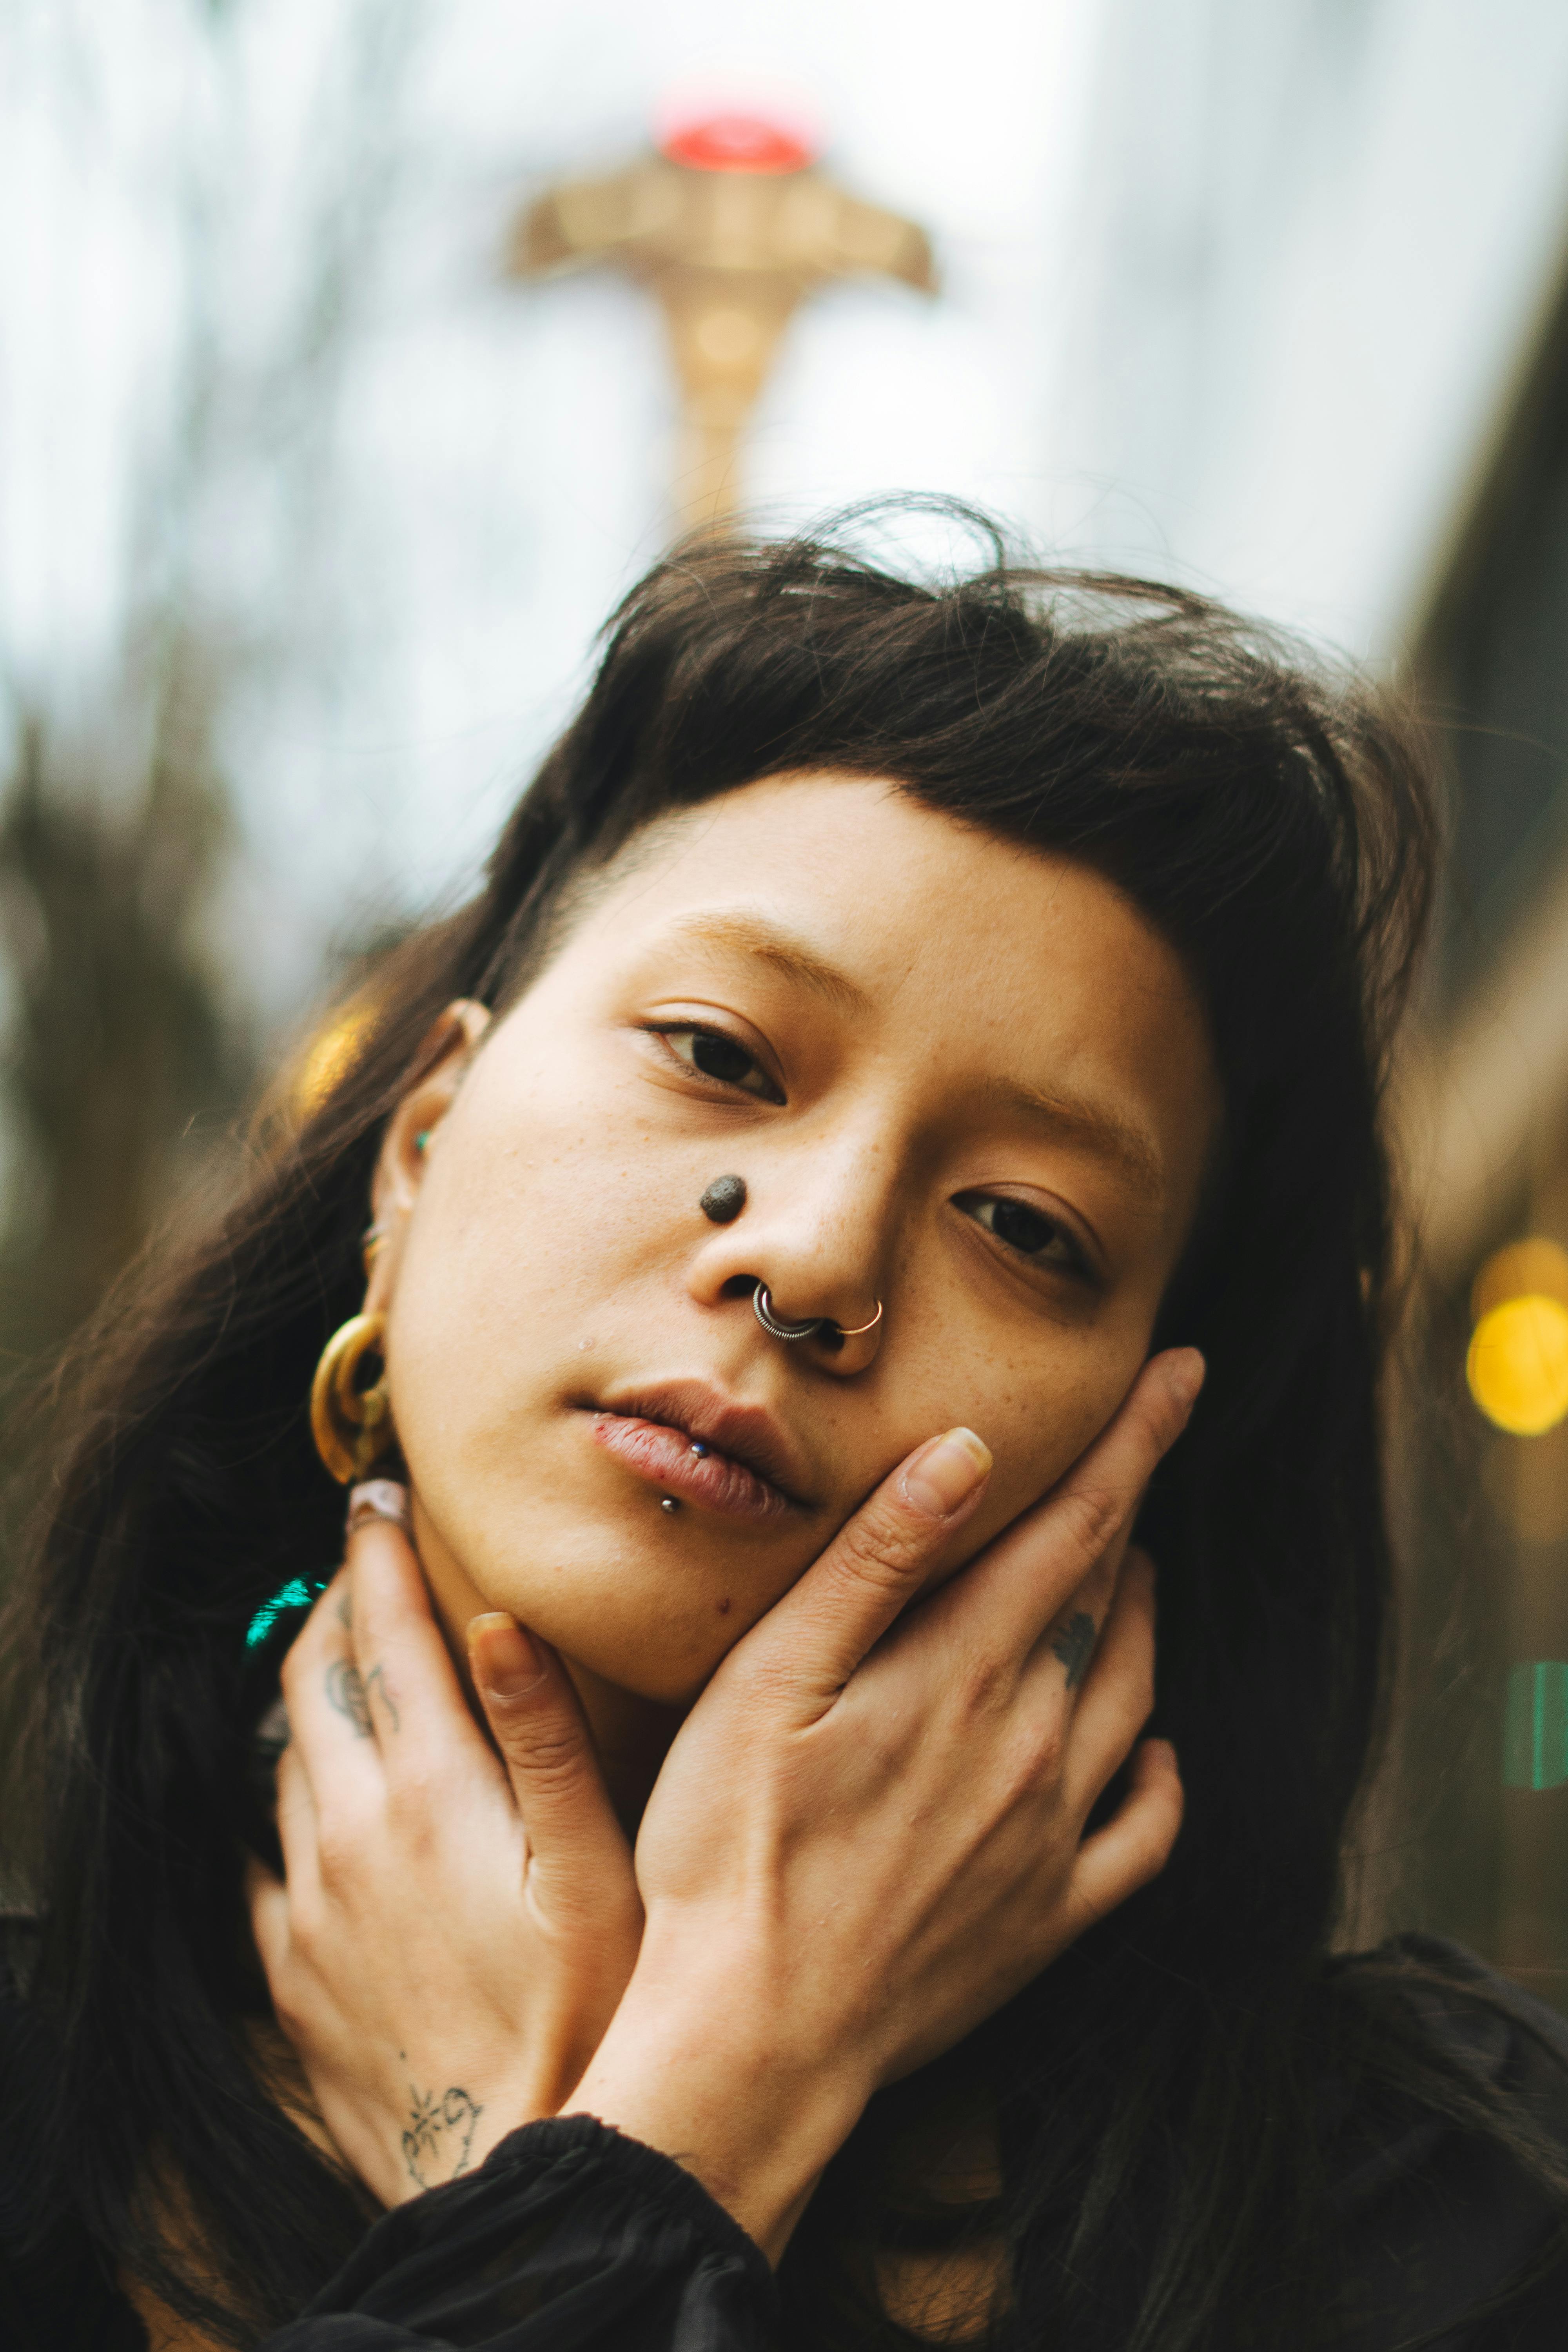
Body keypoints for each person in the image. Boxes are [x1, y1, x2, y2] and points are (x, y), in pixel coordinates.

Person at [3, 514, 1566, 2352]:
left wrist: (578, 2165)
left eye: (1025, 1226)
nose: (816, 1259)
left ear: (1149, 1438)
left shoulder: (1454, 2228)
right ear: (419, 1146)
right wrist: (661, 2160)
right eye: (720, 1056)